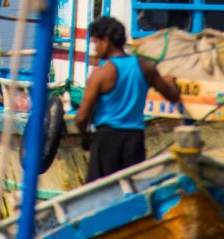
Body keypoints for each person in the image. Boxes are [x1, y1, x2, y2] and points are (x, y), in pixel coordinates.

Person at [75, 16, 182, 182]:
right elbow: (173, 96)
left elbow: (82, 117)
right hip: (134, 141)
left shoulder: (100, 74)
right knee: (132, 192)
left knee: (99, 195)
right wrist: (172, 82)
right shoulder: (145, 67)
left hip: (106, 141)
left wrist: (86, 137)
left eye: (96, 43)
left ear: (106, 41)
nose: (95, 49)